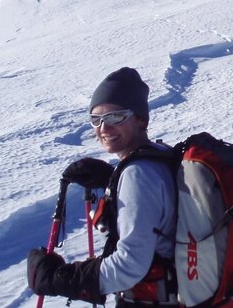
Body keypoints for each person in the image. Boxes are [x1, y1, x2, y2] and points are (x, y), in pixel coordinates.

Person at [27, 67, 178, 306]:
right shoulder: (161, 155)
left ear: (141, 119)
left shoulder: (139, 174)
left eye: (116, 117)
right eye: (96, 119)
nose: (103, 129)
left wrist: (60, 279)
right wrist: (113, 181)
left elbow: (129, 265)